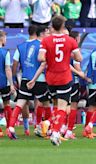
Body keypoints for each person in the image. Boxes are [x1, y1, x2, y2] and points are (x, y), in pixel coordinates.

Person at [27, 15, 82, 146]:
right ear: (63, 26)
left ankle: (47, 126)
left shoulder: (46, 40)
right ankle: (56, 133)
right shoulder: (70, 40)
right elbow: (79, 58)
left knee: (56, 106)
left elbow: (40, 58)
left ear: (53, 26)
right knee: (63, 107)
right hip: (64, 76)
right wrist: (69, 53)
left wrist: (50, 56)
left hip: (50, 78)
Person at [7, 26, 51, 139]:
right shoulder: (41, 45)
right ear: (39, 33)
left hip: (25, 79)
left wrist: (14, 78)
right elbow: (45, 63)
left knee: (19, 104)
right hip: (39, 79)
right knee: (45, 104)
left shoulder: (20, 47)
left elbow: (15, 64)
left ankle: (11, 128)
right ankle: (45, 129)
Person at [64, 31, 85, 139]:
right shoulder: (74, 50)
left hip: (63, 80)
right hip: (73, 81)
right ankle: (68, 130)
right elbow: (77, 67)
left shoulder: (65, 48)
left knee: (63, 105)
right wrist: (83, 75)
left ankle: (62, 127)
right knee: (72, 106)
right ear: (76, 39)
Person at [0, 31, 16, 137]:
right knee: (7, 104)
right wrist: (11, 84)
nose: (6, 39)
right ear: (1, 38)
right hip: (3, 82)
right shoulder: (6, 52)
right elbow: (7, 69)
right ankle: (9, 129)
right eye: (5, 37)